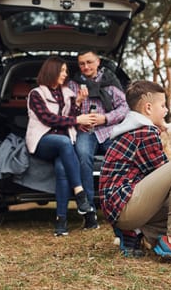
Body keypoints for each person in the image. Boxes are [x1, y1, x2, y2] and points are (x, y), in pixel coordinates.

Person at [99, 80, 171, 270]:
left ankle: (134, 234)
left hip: (121, 207)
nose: (166, 110)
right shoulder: (145, 132)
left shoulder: (133, 129)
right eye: (163, 105)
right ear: (148, 108)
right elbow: (168, 176)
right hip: (125, 207)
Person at [25, 57, 96, 236]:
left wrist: (78, 103)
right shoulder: (36, 94)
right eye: (62, 71)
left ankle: (61, 221)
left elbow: (72, 117)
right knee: (64, 142)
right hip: (43, 140)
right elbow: (48, 119)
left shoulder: (67, 93)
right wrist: (77, 119)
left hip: (63, 143)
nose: (65, 74)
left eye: (65, 71)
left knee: (62, 168)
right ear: (52, 71)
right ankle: (80, 194)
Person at [68, 51, 129, 230]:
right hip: (85, 132)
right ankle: (89, 212)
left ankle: (120, 205)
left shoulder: (110, 82)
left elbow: (125, 107)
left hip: (109, 130)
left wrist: (106, 118)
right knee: (83, 158)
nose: (86, 67)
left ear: (98, 62)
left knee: (121, 158)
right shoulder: (73, 85)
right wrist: (78, 104)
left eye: (89, 62)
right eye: (81, 64)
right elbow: (65, 112)